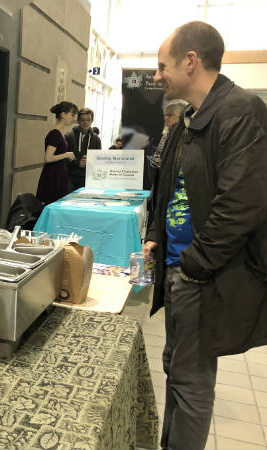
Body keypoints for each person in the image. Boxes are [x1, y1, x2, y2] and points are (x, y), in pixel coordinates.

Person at [144, 21, 267, 450]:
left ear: (190, 62)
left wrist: (195, 264)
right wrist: (156, 234)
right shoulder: (189, 120)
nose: (157, 75)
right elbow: (169, 186)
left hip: (201, 276)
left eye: (163, 66)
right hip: (180, 271)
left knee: (192, 385)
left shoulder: (240, 112)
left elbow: (240, 205)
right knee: (175, 372)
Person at [35, 101, 78, 205]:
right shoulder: (55, 133)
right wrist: (66, 154)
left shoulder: (58, 133)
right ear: (63, 114)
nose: (73, 118)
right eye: (72, 115)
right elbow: (48, 158)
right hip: (53, 176)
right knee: (51, 205)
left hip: (57, 174)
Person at [65, 108, 101, 192]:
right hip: (71, 178)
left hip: (88, 179)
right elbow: (64, 157)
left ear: (92, 120)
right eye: (82, 120)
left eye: (88, 120)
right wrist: (78, 163)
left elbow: (99, 160)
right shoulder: (69, 136)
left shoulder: (96, 139)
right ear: (78, 121)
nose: (85, 123)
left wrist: (90, 160)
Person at [152, 100, 187, 167]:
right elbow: (157, 155)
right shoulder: (166, 135)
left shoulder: (188, 136)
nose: (166, 118)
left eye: (170, 115)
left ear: (181, 116)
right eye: (165, 115)